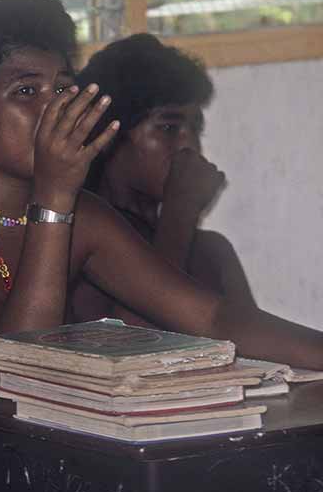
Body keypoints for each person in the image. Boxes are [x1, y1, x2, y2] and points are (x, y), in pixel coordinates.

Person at [0, 0, 323, 405]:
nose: (54, 105)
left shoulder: (86, 215)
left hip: (27, 472)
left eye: (61, 87)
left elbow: (211, 318)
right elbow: (20, 367)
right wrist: (54, 198)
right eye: (26, 90)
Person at [71, 33, 254, 326]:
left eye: (195, 128)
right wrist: (179, 211)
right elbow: (132, 345)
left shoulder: (211, 253)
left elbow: (258, 349)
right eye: (169, 127)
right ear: (106, 135)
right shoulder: (79, 239)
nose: (189, 145)